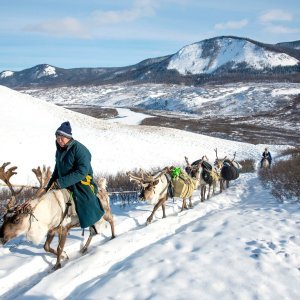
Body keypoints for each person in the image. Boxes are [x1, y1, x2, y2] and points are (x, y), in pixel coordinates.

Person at [45, 121, 104, 232]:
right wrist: (49, 186)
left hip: (81, 180)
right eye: (57, 137)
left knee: (86, 199)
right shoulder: (59, 151)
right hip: (64, 179)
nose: (59, 140)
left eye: (62, 137)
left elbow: (82, 172)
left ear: (68, 137)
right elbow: (57, 170)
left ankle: (94, 223)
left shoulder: (80, 150)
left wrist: (61, 183)